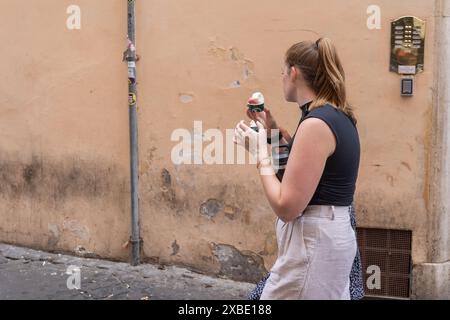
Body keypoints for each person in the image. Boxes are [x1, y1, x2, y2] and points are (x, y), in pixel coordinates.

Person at [233, 38, 362, 299]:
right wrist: (271, 132)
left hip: (314, 246)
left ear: (293, 73)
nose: (281, 77)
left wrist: (260, 153)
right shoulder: (331, 115)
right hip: (322, 242)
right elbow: (297, 175)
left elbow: (287, 206)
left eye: (283, 71)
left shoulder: (316, 124)